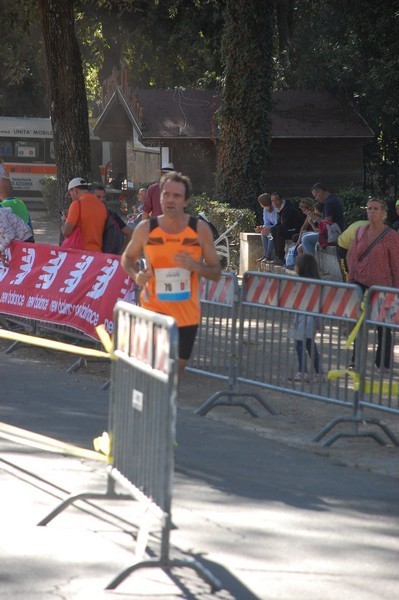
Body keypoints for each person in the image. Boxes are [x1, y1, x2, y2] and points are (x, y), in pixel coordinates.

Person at [121, 171, 221, 379]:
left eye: (176, 196)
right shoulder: (146, 229)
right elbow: (127, 259)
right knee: (155, 368)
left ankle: (165, 406)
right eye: (166, 194)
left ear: (186, 201)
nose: (170, 200)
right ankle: (153, 407)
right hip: (154, 310)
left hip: (186, 314)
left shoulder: (199, 230)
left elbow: (216, 272)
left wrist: (196, 266)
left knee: (176, 371)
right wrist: (136, 275)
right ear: (160, 198)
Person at [348, 197, 399, 370]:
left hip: (382, 285)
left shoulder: (391, 236)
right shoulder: (361, 231)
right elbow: (354, 257)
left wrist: (396, 289)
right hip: (360, 282)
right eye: (369, 208)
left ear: (383, 213)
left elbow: (396, 265)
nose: (372, 211)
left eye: (376, 208)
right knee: (358, 323)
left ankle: (383, 363)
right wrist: (350, 281)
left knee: (382, 326)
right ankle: (356, 360)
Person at [290, 254, 324, 382]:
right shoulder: (315, 284)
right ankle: (318, 372)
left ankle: (303, 371)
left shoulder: (303, 284)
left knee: (301, 347)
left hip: (304, 322)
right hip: (307, 322)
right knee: (311, 347)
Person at [61, 177, 107, 252]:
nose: (71, 197)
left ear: (75, 190)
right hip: (97, 254)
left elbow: (66, 231)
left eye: (70, 193)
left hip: (80, 253)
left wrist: (64, 220)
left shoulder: (76, 204)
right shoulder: (102, 206)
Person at [301, 183, 345, 255]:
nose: (315, 199)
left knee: (306, 239)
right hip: (337, 231)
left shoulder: (328, 203)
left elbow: (327, 224)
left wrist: (314, 218)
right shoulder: (333, 198)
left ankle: (312, 264)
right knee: (305, 235)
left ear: (320, 191)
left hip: (333, 235)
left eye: (315, 196)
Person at [261, 192, 304, 266]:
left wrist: (271, 229)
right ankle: (276, 257)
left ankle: (280, 258)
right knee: (273, 230)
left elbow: (284, 225)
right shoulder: (279, 208)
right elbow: (279, 223)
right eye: (272, 201)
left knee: (278, 231)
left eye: (276, 200)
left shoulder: (287, 208)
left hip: (295, 230)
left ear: (281, 200)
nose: (274, 203)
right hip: (288, 229)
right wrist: (269, 229)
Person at [255, 193, 277, 262]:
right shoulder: (265, 209)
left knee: (270, 234)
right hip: (271, 227)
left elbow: (277, 222)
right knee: (263, 232)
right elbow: (266, 222)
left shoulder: (275, 208)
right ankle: (265, 254)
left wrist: (269, 228)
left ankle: (268, 255)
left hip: (277, 227)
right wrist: (262, 228)